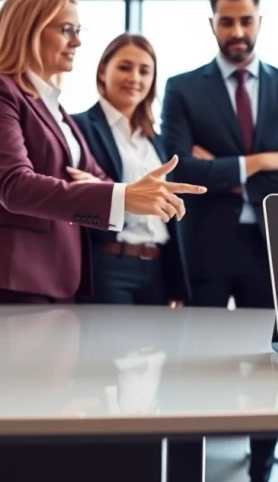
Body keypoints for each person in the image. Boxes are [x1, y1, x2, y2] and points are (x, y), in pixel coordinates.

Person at [160, 0, 278, 482]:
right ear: (212, 23)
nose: (236, 30)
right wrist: (257, 162)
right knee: (193, 367)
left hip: (270, 251)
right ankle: (189, 474)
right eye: (226, 21)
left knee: (275, 365)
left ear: (259, 21)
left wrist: (222, 168)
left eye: (245, 20)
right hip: (205, 249)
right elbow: (182, 168)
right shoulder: (183, 88)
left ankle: (259, 478)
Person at [0, 0, 205, 306]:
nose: (78, 41)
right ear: (30, 30)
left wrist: (125, 192)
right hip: (14, 273)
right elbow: (14, 185)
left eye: (78, 31)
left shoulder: (53, 108)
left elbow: (98, 178)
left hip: (57, 274)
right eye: (66, 30)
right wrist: (124, 194)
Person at [70, 33, 191, 307]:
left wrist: (175, 282)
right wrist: (102, 192)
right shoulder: (79, 128)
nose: (135, 78)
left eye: (144, 71)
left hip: (157, 268)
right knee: (107, 349)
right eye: (125, 67)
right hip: (108, 265)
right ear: (103, 71)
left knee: (160, 350)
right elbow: (73, 193)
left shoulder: (157, 141)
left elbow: (167, 215)